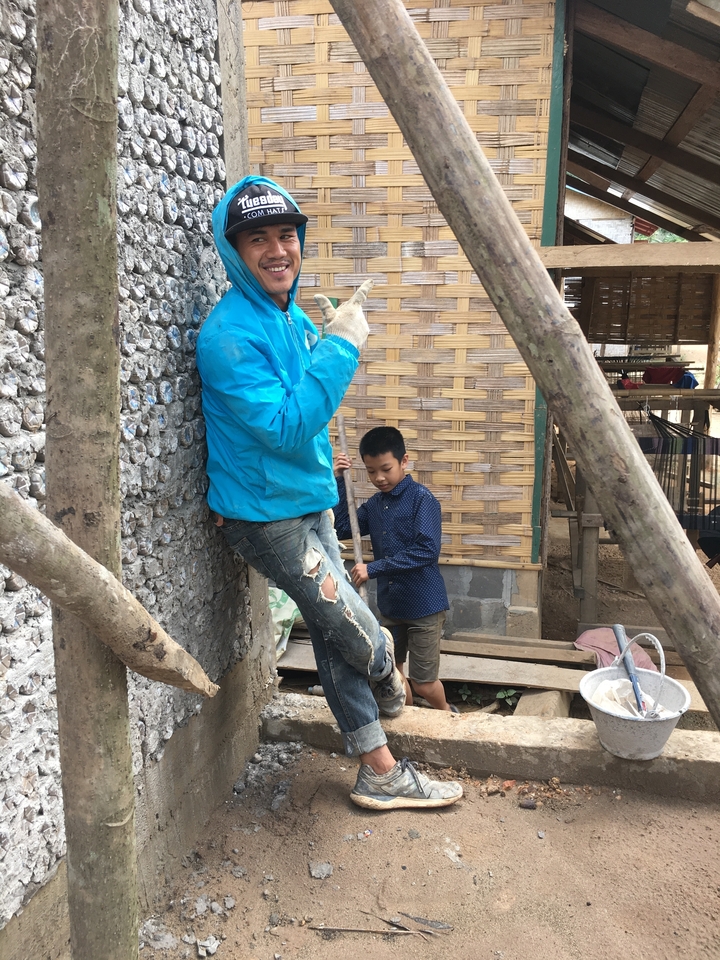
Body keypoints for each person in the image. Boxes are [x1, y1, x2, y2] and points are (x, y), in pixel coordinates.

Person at [196, 175, 462, 810]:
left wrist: (322, 339)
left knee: (329, 624)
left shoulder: (283, 317)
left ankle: (378, 768)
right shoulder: (229, 336)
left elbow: (301, 413)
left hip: (308, 503)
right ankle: (390, 686)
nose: (276, 250)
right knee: (361, 632)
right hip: (267, 520)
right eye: (256, 239)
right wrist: (342, 345)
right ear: (234, 252)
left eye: (286, 234)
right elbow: (287, 427)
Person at [333, 426, 456, 713]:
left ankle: (447, 717)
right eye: (371, 471)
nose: (379, 478)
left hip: (425, 606)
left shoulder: (422, 500)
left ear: (404, 461)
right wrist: (340, 480)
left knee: (424, 683)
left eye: (386, 468)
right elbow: (341, 527)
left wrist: (374, 568)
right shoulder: (375, 505)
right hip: (391, 606)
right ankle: (412, 724)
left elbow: (426, 550)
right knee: (396, 676)